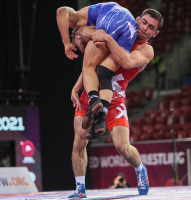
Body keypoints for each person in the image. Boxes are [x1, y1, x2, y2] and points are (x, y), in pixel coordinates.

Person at [67, 9, 163, 199]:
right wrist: (76, 88)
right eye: (144, 22)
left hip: (115, 97)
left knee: (122, 146)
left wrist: (107, 38)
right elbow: (90, 65)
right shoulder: (119, 30)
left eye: (151, 27)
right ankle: (80, 189)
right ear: (137, 19)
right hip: (92, 92)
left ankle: (140, 169)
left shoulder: (146, 49)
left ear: (155, 33)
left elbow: (126, 62)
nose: (145, 28)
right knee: (79, 139)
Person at [57, 2, 138, 138]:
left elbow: (61, 11)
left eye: (77, 46)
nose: (80, 49)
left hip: (111, 19)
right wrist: (75, 89)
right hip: (130, 28)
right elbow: (88, 73)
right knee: (104, 73)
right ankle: (100, 120)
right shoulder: (96, 15)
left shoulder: (82, 27)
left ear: (76, 35)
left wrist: (66, 43)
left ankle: (94, 100)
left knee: (88, 65)